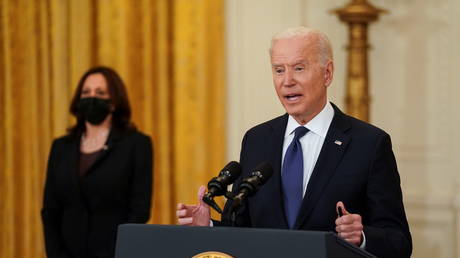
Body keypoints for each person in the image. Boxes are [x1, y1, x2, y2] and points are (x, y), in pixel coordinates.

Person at [176, 27, 412, 258]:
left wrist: (361, 237)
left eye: (299, 68)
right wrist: (208, 227)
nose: (287, 81)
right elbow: (240, 227)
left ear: (327, 73)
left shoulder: (368, 144)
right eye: (279, 70)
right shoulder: (257, 140)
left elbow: (399, 242)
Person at [41, 66, 153, 258]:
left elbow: (139, 211)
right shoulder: (61, 147)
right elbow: (50, 209)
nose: (92, 97)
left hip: (114, 253)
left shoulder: (136, 144)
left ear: (114, 102)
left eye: (100, 93)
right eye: (86, 92)